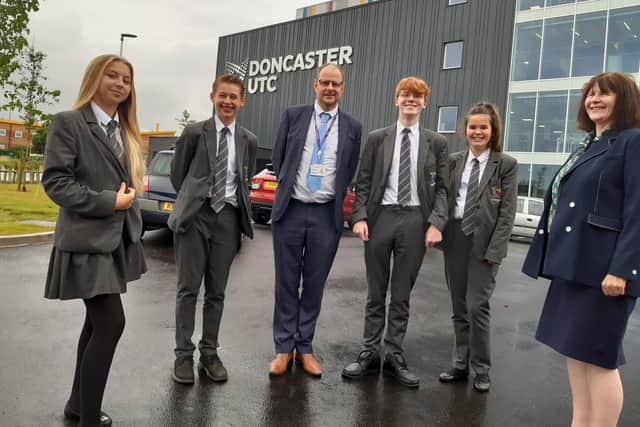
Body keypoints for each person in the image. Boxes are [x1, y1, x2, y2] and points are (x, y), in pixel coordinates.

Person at [523, 72, 640, 426]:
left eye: (605, 94)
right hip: (574, 266)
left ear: (626, 100)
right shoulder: (589, 145)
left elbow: (638, 209)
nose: (595, 99)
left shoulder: (633, 141)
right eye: (590, 94)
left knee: (599, 360)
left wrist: (623, 268)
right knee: (577, 355)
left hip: (604, 270)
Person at [42, 54, 147, 427]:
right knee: (110, 323)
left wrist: (132, 196)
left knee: (96, 323)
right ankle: (88, 418)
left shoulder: (126, 130)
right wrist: (109, 202)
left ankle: (76, 404)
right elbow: (55, 182)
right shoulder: (69, 123)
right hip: (86, 240)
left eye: (126, 79)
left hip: (115, 241)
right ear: (95, 78)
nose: (119, 83)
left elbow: (123, 181)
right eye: (112, 76)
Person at [341, 77, 449, 388]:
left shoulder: (436, 143)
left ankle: (394, 353)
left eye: (417, 96)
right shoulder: (378, 138)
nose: (411, 100)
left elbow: (443, 188)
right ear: (396, 100)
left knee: (401, 293)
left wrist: (436, 223)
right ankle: (368, 351)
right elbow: (362, 181)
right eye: (405, 94)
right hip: (380, 218)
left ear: (425, 103)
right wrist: (359, 217)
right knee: (376, 292)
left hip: (415, 219)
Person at [269, 63, 362, 378]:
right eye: (325, 82)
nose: (330, 88)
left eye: (336, 84)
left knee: (314, 284)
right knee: (285, 282)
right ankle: (283, 348)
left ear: (343, 88)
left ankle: (304, 347)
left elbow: (348, 169)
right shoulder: (293, 116)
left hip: (326, 214)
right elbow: (278, 158)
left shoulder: (352, 127)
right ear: (315, 84)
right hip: (291, 210)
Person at [169, 74, 257, 384]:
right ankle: (183, 355)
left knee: (216, 293)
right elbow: (179, 176)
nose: (228, 101)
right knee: (188, 290)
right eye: (223, 95)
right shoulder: (194, 132)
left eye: (234, 96)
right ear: (213, 96)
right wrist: (194, 202)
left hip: (228, 219)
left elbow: (242, 179)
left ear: (242, 100)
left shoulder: (248, 139)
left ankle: (209, 353)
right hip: (197, 216)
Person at [437, 102, 517, 392]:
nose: (478, 132)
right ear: (465, 130)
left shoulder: (505, 164)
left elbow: (507, 213)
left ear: (493, 130)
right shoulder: (455, 160)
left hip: (484, 242)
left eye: (484, 127)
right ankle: (460, 364)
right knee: (459, 305)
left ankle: (481, 369)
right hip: (455, 237)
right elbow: (443, 197)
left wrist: (496, 251)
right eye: (473, 127)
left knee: (477, 306)